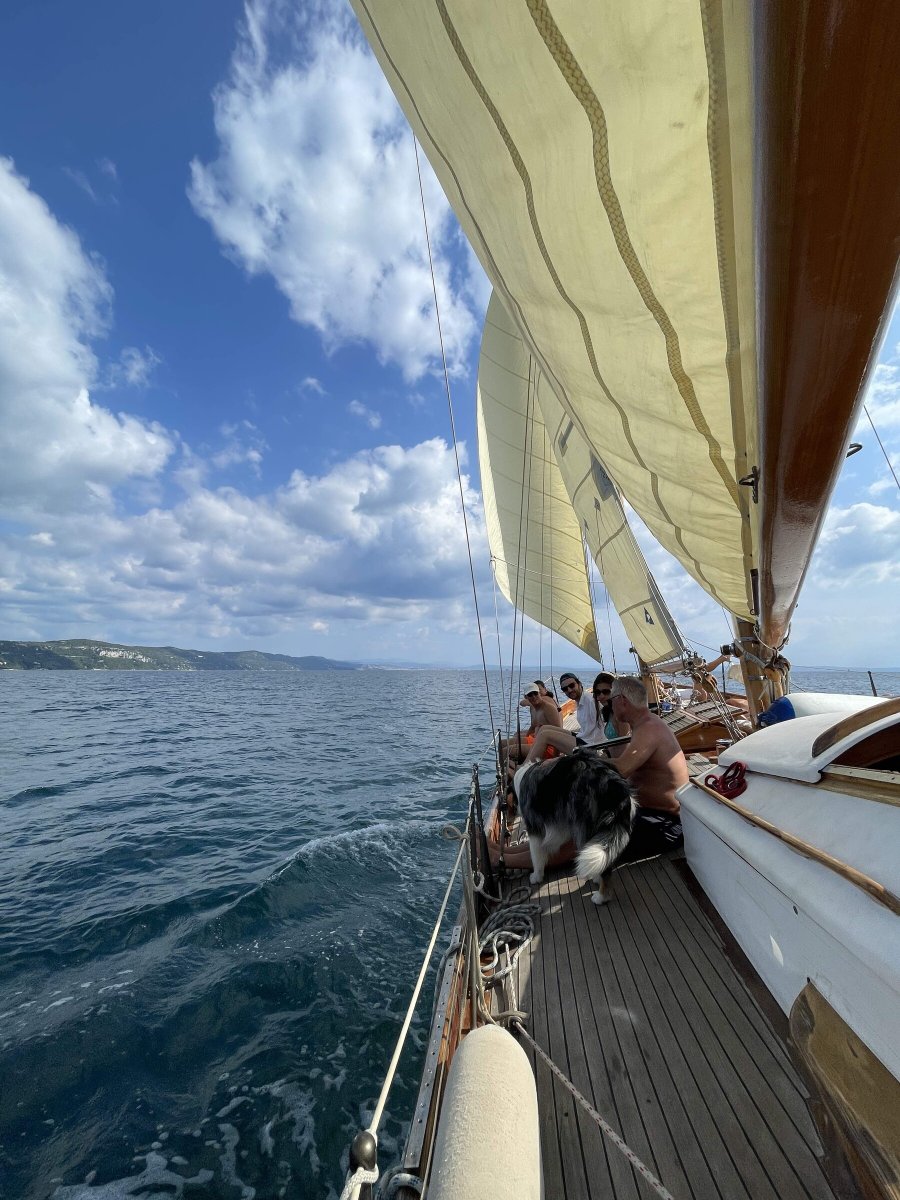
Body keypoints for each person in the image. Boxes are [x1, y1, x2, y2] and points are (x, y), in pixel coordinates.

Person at [606, 675, 689, 859]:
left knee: (586, 839)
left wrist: (587, 759)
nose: (610, 704)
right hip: (647, 812)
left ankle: (529, 862)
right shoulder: (645, 724)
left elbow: (621, 769)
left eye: (611, 699)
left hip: (665, 823)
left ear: (621, 700)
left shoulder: (649, 728)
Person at [519, 671, 611, 765]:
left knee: (545, 735)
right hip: (583, 737)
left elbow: (604, 717)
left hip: (591, 746)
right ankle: (542, 758)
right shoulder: (579, 701)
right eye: (565, 689)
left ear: (579, 684)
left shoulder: (590, 700)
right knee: (544, 728)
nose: (569, 690)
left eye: (572, 685)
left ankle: (524, 767)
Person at [501, 684, 562, 769]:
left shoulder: (549, 708)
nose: (533, 696)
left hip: (547, 748)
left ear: (539, 694)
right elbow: (533, 727)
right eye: (530, 694)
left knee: (504, 752)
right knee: (502, 744)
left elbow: (559, 734)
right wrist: (523, 741)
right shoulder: (533, 708)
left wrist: (555, 758)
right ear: (526, 697)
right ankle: (505, 774)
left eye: (535, 693)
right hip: (536, 741)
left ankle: (512, 774)